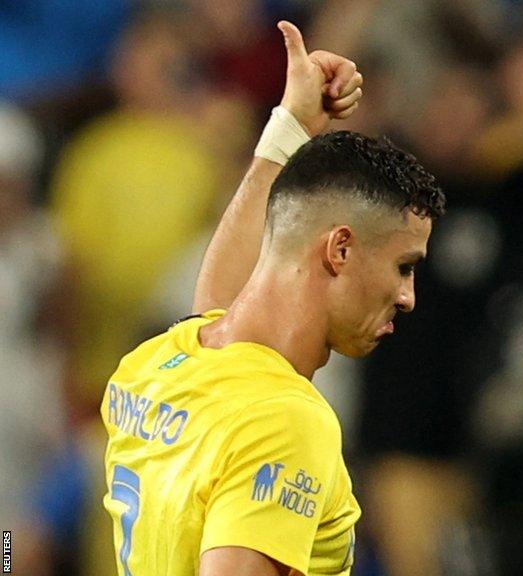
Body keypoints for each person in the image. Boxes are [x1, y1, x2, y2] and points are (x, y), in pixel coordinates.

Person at [101, 20, 445, 576]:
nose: (407, 297)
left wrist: (290, 128)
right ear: (339, 250)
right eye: (404, 268)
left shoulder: (163, 362)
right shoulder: (285, 419)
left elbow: (218, 302)